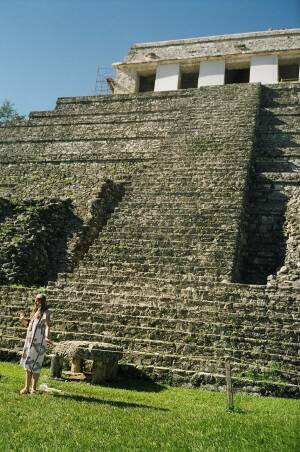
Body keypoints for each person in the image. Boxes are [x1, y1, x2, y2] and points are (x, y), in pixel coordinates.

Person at [19, 293, 53, 394]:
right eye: (36, 300)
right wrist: (22, 320)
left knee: (36, 365)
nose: (37, 302)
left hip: (39, 343)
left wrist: (46, 337)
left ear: (44, 301)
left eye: (39, 300)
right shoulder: (34, 312)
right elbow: (28, 325)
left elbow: (47, 325)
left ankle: (33, 388)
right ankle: (26, 388)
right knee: (28, 364)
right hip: (30, 342)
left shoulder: (46, 312)